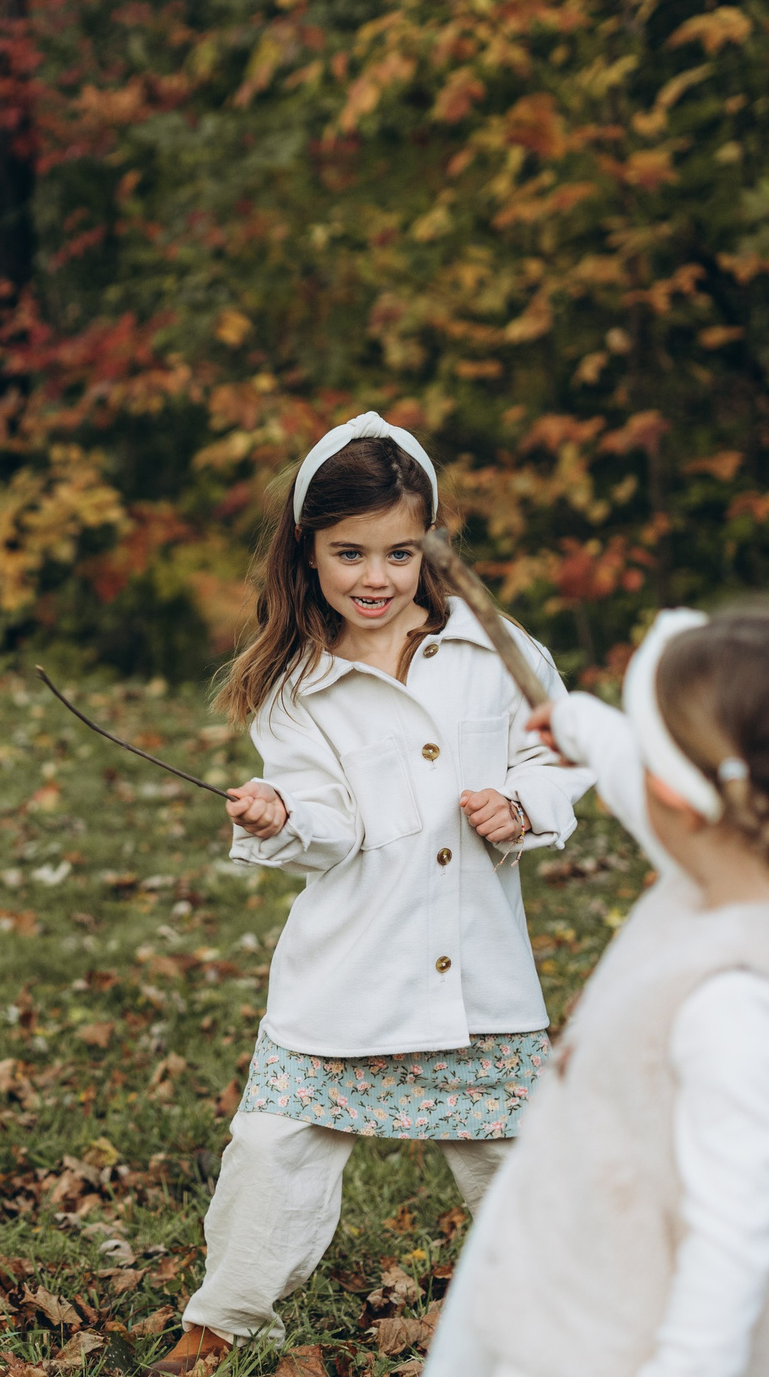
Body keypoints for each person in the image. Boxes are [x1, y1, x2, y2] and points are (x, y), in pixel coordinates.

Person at [151, 414, 590, 1373]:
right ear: (306, 551)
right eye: (349, 552)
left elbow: (560, 751)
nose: (376, 576)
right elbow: (328, 814)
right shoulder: (297, 684)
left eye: (400, 550)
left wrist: (524, 803)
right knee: (274, 1147)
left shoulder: (495, 649)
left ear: (432, 542)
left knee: (512, 1156)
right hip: (349, 965)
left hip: (475, 970)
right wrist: (278, 813)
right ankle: (225, 1317)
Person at [425, 604, 769, 1377]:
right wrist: (582, 723)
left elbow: (727, 1257)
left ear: (683, 799)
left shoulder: (739, 1006)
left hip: (615, 1337)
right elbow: (645, 778)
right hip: (580, 1257)